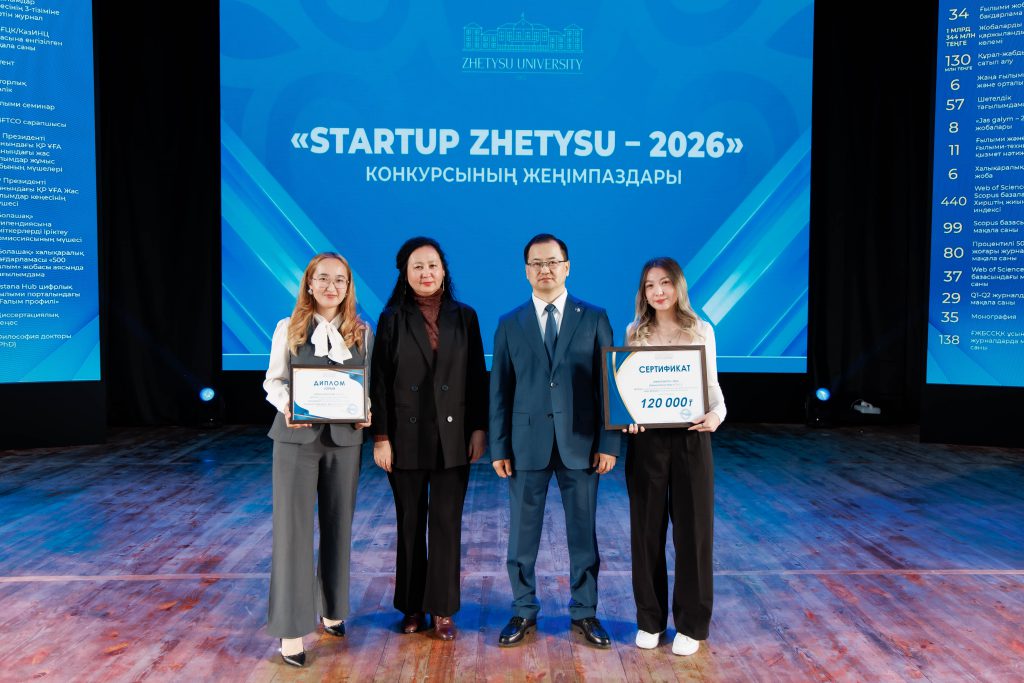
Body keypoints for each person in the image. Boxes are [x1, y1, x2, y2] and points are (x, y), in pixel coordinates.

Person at [489, 233, 621, 649]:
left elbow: (607, 385)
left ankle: (585, 611)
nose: (544, 269)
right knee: (521, 536)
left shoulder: (594, 317)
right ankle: (523, 608)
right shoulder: (509, 323)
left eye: (552, 262)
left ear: (567, 267)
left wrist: (609, 443)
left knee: (583, 534)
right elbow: (500, 391)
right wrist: (499, 446)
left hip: (581, 444)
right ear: (525, 270)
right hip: (525, 446)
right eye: (536, 263)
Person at [370, 236, 488, 641]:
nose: (426, 273)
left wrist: (478, 429)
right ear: (405, 273)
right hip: (404, 438)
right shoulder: (391, 318)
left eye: (433, 265)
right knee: (409, 523)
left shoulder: (465, 316)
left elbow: (476, 378)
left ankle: (442, 610)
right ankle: (412, 607)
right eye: (417, 266)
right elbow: (380, 382)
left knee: (445, 524)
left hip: (454, 437)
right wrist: (381, 437)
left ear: (444, 271)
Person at [262, 252, 373, 667]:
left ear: (348, 288)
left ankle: (332, 608)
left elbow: (366, 385)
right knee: (292, 532)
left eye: (340, 280)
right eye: (323, 278)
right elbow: (273, 381)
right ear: (309, 283)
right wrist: (288, 405)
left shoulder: (362, 331)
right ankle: (291, 629)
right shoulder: (288, 327)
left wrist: (366, 409)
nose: (331, 286)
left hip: (344, 440)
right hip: (296, 438)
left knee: (339, 526)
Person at [621, 257, 726, 657]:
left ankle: (691, 625)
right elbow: (628, 389)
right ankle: (649, 620)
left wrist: (716, 416)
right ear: (643, 292)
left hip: (691, 438)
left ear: (678, 286)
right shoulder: (634, 332)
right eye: (650, 285)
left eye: (665, 283)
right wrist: (627, 416)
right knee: (646, 532)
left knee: (693, 533)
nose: (658, 291)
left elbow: (713, 389)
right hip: (647, 441)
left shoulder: (701, 329)